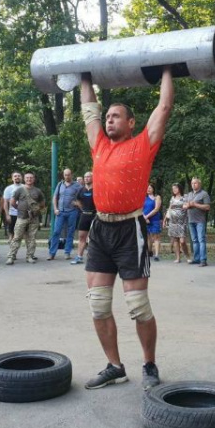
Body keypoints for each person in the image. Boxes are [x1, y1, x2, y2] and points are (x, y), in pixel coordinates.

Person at [79, 67, 174, 391]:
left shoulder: (143, 144)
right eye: (108, 116)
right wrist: (84, 76)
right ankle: (115, 366)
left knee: (137, 306)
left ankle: (149, 364)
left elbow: (163, 108)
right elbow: (88, 109)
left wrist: (167, 70)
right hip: (100, 229)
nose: (109, 120)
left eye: (116, 116)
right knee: (98, 304)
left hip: (129, 229)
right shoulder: (99, 145)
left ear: (131, 123)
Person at [6, 172, 46, 265]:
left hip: (34, 219)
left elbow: (43, 204)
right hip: (21, 217)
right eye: (27, 178)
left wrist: (36, 209)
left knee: (31, 238)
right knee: (17, 237)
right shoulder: (19, 190)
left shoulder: (38, 191)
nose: (29, 179)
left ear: (34, 179)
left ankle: (30, 256)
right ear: (24, 179)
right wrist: (19, 209)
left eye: (31, 178)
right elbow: (12, 202)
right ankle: (11, 257)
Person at [47, 168, 81, 260]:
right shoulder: (60, 184)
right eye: (65, 175)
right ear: (63, 175)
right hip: (60, 212)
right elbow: (55, 197)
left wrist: (78, 204)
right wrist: (55, 209)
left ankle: (67, 252)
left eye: (68, 174)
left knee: (70, 233)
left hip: (72, 212)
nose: (67, 176)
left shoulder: (77, 186)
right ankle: (52, 253)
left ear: (71, 175)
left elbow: (83, 197)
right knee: (56, 232)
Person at [185, 177, 211, 267]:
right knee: (194, 240)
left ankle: (203, 260)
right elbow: (184, 206)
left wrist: (195, 204)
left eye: (195, 183)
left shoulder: (204, 194)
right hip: (190, 220)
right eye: (192, 183)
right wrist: (188, 205)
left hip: (200, 221)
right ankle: (196, 259)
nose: (193, 185)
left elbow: (207, 207)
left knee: (201, 240)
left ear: (199, 184)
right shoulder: (189, 194)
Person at [71, 171, 95, 265]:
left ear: (93, 178)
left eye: (89, 177)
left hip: (95, 216)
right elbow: (78, 201)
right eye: (85, 177)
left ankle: (93, 258)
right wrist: (83, 210)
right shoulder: (81, 190)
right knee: (81, 237)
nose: (86, 178)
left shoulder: (97, 189)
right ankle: (79, 257)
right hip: (84, 215)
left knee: (94, 238)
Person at [163, 183, 191, 263]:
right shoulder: (172, 198)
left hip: (182, 222)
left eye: (175, 188)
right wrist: (165, 220)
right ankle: (178, 258)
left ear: (179, 188)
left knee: (182, 241)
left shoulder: (185, 197)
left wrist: (186, 206)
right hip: (173, 222)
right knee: (175, 240)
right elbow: (169, 209)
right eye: (173, 188)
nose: (174, 190)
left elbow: (187, 205)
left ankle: (187, 256)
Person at [144, 184, 163, 261]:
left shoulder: (157, 197)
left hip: (154, 219)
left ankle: (156, 255)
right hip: (145, 219)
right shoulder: (144, 198)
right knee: (148, 236)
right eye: (147, 188)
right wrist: (144, 218)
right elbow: (140, 208)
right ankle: (149, 251)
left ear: (153, 189)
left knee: (156, 236)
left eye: (150, 187)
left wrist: (147, 216)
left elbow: (156, 209)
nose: (148, 189)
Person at [2, 172, 23, 242]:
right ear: (12, 178)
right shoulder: (8, 188)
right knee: (11, 229)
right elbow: (5, 202)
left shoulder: (25, 187)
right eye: (15, 176)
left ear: (21, 177)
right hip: (12, 213)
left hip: (24, 213)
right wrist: (7, 214)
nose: (17, 177)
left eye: (18, 176)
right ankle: (11, 239)